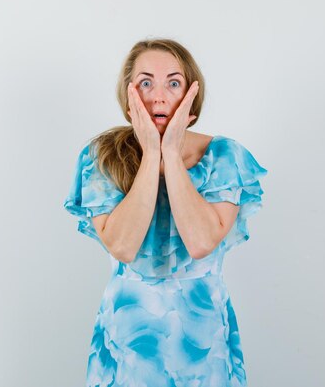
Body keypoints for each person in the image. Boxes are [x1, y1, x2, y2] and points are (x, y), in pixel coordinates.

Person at [63, 38, 268, 387]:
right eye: (146, 83)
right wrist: (151, 154)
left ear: (191, 93)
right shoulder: (102, 156)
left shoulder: (225, 156)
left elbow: (201, 242)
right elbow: (123, 246)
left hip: (202, 344)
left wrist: (171, 154)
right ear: (129, 97)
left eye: (173, 83)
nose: (159, 96)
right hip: (128, 341)